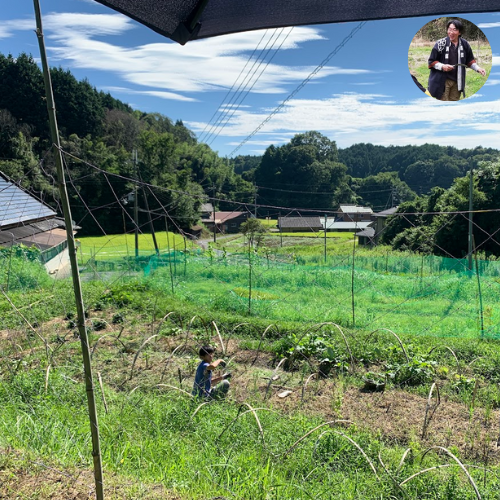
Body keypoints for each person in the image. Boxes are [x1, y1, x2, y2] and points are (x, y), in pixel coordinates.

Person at [427, 19, 486, 101]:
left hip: (457, 81)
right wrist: (442, 66)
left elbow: (469, 60)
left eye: (454, 30)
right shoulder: (440, 44)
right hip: (442, 81)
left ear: (460, 32)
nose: (451, 32)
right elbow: (431, 62)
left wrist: (478, 68)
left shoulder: (465, 44)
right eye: (449, 29)